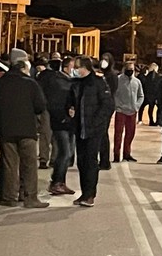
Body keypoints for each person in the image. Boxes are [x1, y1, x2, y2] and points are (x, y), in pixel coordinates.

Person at [0, 49, 49, 208]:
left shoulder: (0, 83)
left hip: (6, 130)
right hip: (27, 130)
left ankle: (8, 197)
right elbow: (40, 106)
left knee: (10, 165)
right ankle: (30, 198)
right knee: (29, 166)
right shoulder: (30, 83)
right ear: (23, 66)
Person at [67, 56, 115, 207]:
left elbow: (108, 106)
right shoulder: (75, 83)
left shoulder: (98, 83)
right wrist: (69, 109)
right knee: (82, 162)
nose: (74, 70)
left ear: (84, 68)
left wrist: (96, 123)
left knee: (91, 162)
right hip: (79, 128)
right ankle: (84, 193)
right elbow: (70, 101)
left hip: (93, 130)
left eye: (77, 67)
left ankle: (90, 195)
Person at [41, 56, 76, 196]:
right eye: (74, 67)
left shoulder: (69, 81)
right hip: (61, 122)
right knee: (64, 152)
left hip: (69, 123)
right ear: (67, 67)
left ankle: (60, 182)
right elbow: (54, 103)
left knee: (68, 153)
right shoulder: (58, 81)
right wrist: (63, 116)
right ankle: (56, 182)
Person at [113, 61, 144, 163]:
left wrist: (136, 106)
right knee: (118, 134)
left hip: (132, 112)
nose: (130, 71)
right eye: (128, 69)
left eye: (132, 70)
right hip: (121, 111)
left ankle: (127, 154)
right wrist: (118, 105)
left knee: (130, 134)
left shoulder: (137, 82)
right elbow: (114, 94)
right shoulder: (118, 80)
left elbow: (141, 96)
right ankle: (116, 155)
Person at [99, 52, 118, 170]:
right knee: (101, 133)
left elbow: (112, 90)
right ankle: (103, 160)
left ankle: (105, 161)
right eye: (102, 59)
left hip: (107, 106)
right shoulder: (102, 74)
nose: (103, 61)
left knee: (103, 133)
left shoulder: (111, 75)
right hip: (103, 105)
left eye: (106, 59)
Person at [34, 56, 54, 169]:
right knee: (52, 135)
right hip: (53, 108)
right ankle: (53, 159)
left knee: (44, 135)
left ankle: (43, 159)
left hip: (44, 108)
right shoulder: (56, 76)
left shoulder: (41, 76)